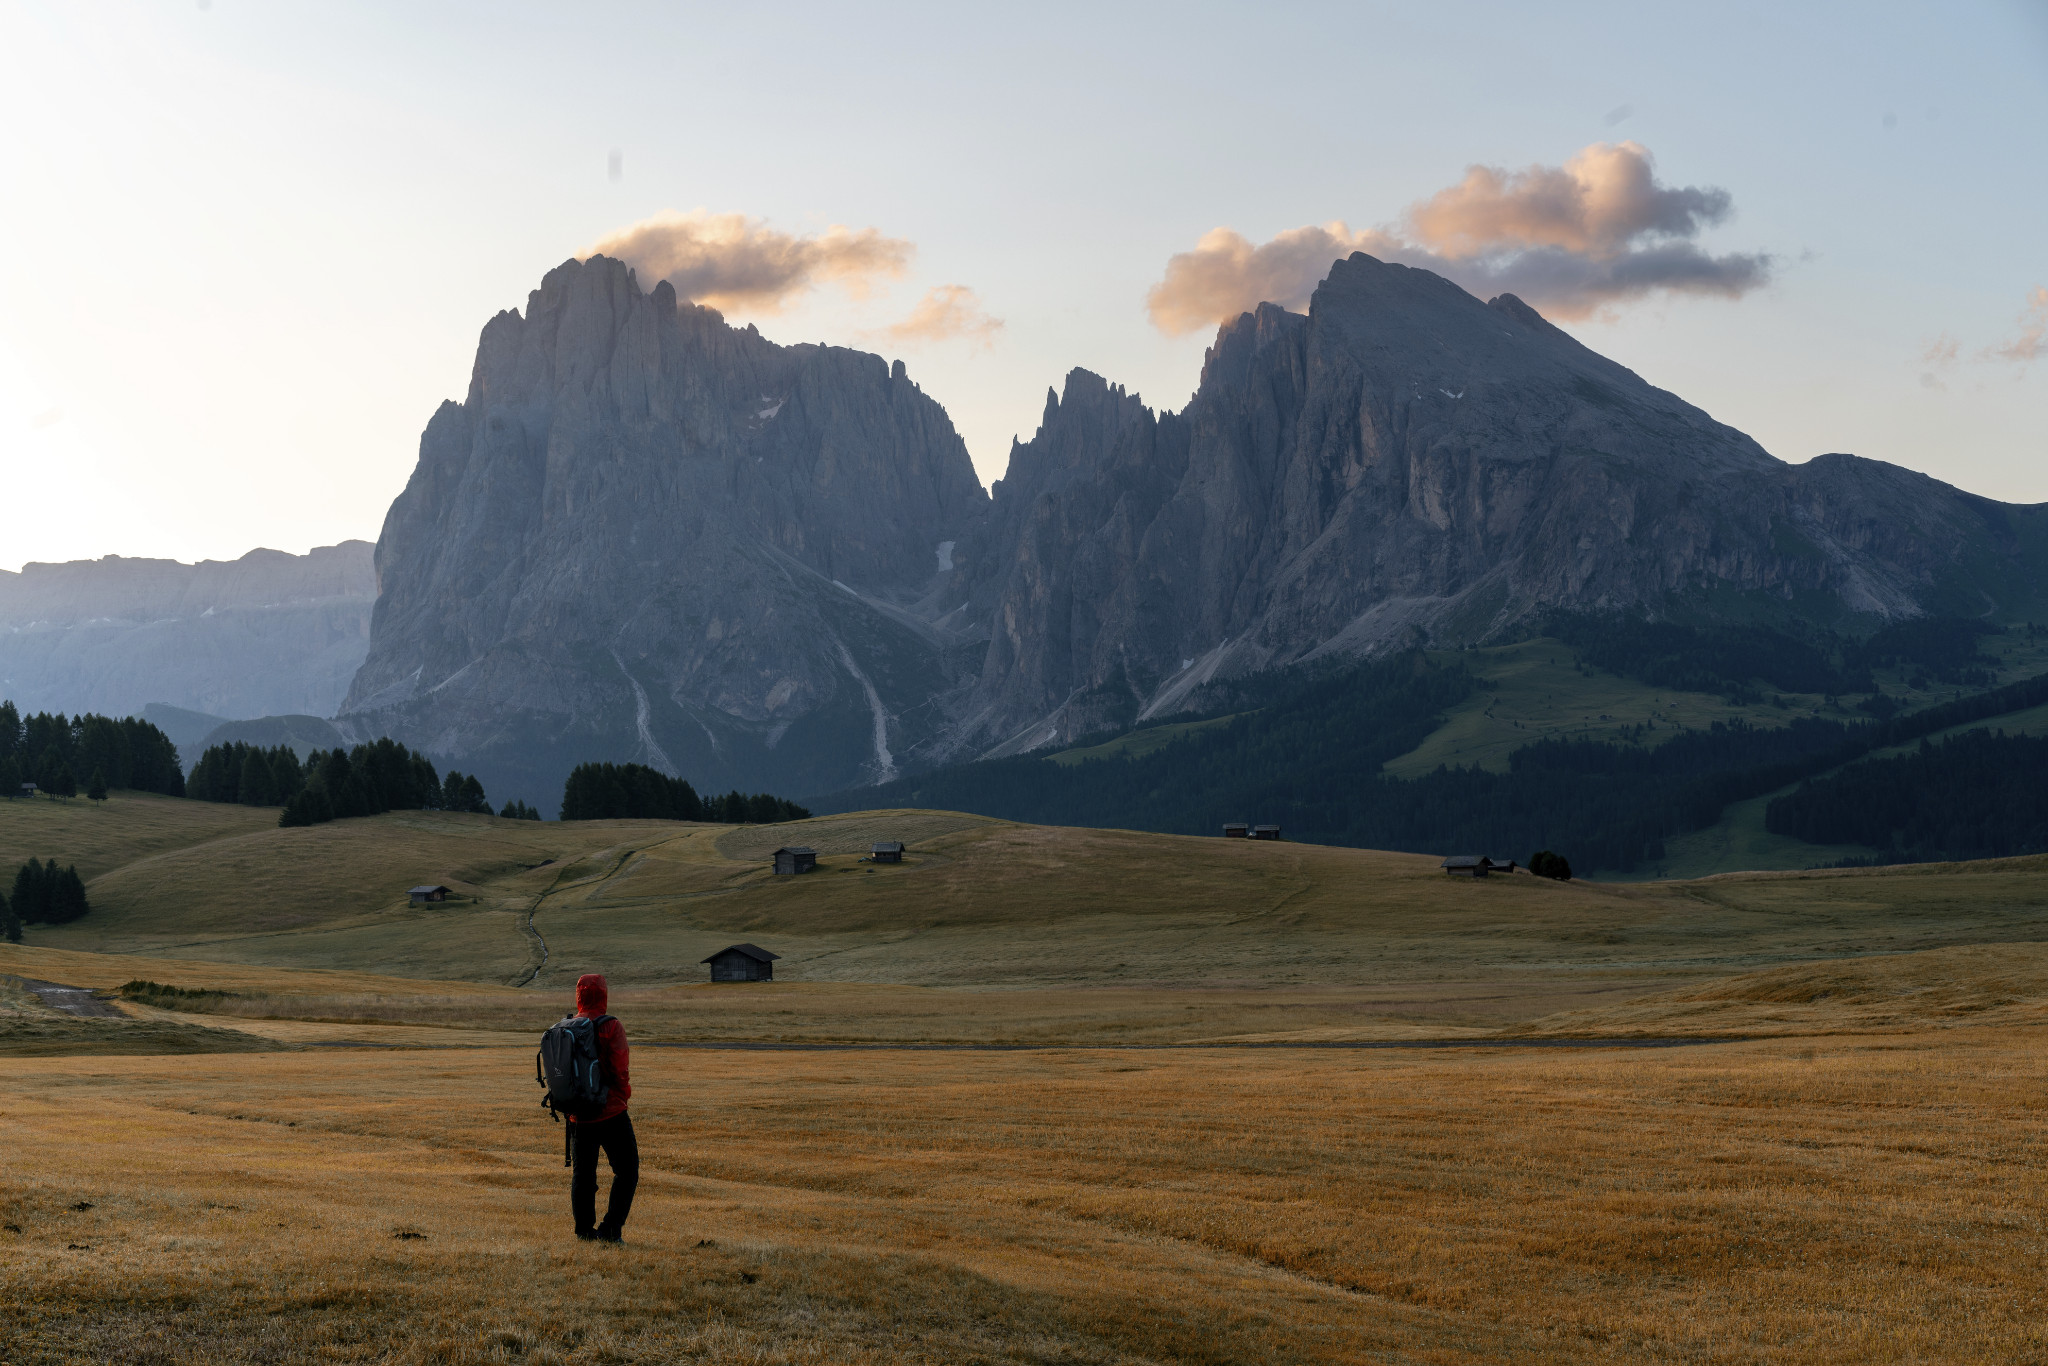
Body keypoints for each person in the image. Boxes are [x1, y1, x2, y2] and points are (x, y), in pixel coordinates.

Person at [568, 973, 637, 1242]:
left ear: (579, 995)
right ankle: (610, 1230)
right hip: (610, 1113)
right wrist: (622, 1099)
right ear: (604, 994)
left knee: (583, 1176)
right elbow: (621, 1072)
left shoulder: (568, 1026)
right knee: (627, 1170)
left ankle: (584, 1232)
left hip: (578, 1115)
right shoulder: (612, 1026)